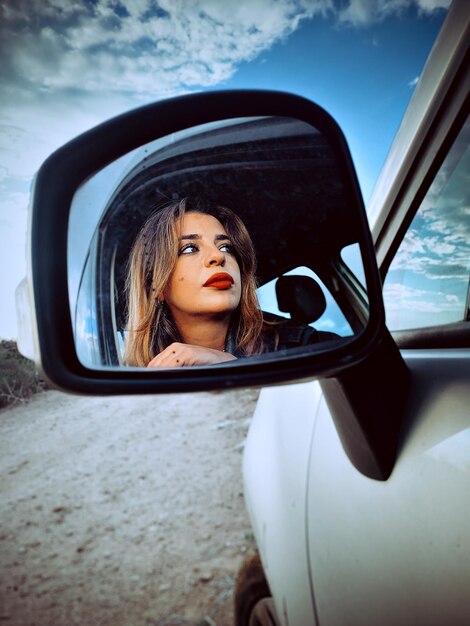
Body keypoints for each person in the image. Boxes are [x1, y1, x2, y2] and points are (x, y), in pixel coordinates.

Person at [123, 197, 320, 367]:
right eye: (190, 248)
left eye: (226, 247)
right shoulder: (143, 377)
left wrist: (229, 363)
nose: (217, 256)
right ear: (157, 286)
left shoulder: (302, 346)